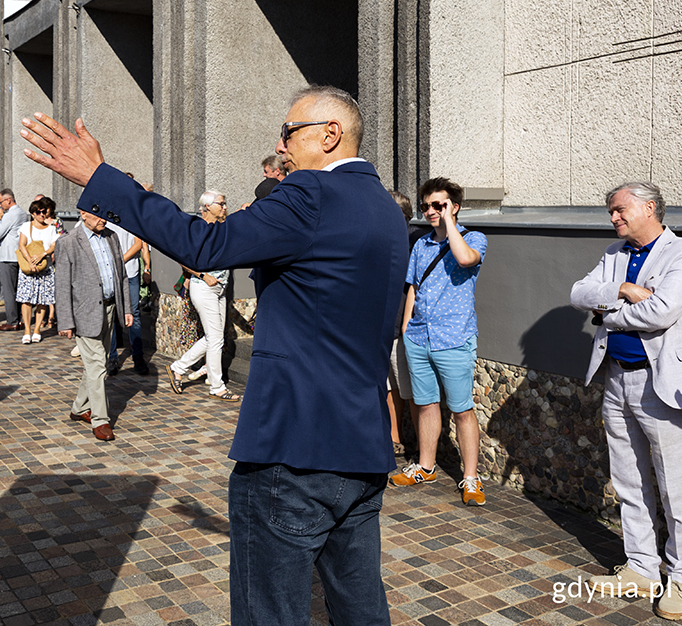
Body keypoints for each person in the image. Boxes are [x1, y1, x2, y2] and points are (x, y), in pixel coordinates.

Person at [21, 85, 408, 625]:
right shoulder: (387, 211)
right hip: (359, 450)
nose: (280, 144)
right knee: (362, 609)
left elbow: (203, 244)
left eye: (288, 131)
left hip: (292, 452)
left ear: (329, 133)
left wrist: (101, 179)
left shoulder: (310, 197)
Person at [570, 181, 682, 621]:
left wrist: (608, 313)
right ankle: (642, 568)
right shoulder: (614, 255)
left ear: (650, 207)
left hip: (663, 384)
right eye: (611, 212)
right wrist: (626, 292)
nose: (613, 218)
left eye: (619, 210)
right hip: (615, 379)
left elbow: (663, 312)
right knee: (629, 481)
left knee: (676, 488)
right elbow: (577, 293)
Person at [389, 178, 488, 506]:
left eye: (439, 205)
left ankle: (471, 478)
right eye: (427, 206)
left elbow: (464, 259)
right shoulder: (421, 245)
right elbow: (413, 286)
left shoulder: (474, 239)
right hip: (419, 338)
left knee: (461, 410)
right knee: (426, 404)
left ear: (454, 207)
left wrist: (449, 224)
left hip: (454, 339)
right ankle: (426, 466)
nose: (431, 211)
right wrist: (406, 330)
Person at [54, 208, 133, 442]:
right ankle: (101, 420)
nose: (103, 219)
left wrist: (126, 308)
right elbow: (62, 285)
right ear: (83, 214)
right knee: (99, 365)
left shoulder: (111, 237)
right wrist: (66, 321)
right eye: (97, 215)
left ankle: (79, 407)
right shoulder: (68, 242)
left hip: (109, 309)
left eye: (106, 215)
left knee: (93, 365)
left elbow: (122, 276)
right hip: (84, 314)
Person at [166, 190, 240, 401]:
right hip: (204, 286)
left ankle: (178, 367)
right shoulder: (196, 229)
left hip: (220, 288)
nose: (225, 207)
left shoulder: (222, 228)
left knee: (214, 338)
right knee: (215, 339)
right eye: (221, 204)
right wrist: (202, 275)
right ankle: (217, 386)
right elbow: (180, 256)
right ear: (207, 207)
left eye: (225, 204)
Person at [386, 191, 420, 454]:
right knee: (391, 387)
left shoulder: (413, 242)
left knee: (410, 391)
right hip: (383, 327)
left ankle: (422, 449)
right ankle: (393, 438)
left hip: (402, 328)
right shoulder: (384, 239)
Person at [106, 219, 150, 376]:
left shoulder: (131, 217)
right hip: (109, 274)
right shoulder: (104, 218)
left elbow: (138, 244)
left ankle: (138, 357)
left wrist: (119, 261)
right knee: (111, 314)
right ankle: (112, 358)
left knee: (134, 313)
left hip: (130, 272)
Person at [16, 196, 59, 344]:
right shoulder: (25, 226)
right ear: (33, 213)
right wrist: (30, 261)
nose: (42, 215)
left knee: (43, 300)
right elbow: (22, 245)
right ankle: (27, 330)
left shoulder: (52, 229)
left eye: (44, 212)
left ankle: (37, 330)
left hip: (44, 268)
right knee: (26, 300)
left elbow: (54, 245)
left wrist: (43, 254)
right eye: (39, 212)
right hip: (28, 269)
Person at [0, 188, 29, 331]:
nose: (0, 205)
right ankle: (19, 319)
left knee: (8, 290)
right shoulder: (22, 213)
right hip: (18, 255)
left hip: (8, 256)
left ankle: (12, 321)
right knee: (17, 289)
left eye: (1, 202)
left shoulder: (9, 215)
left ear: (8, 200)